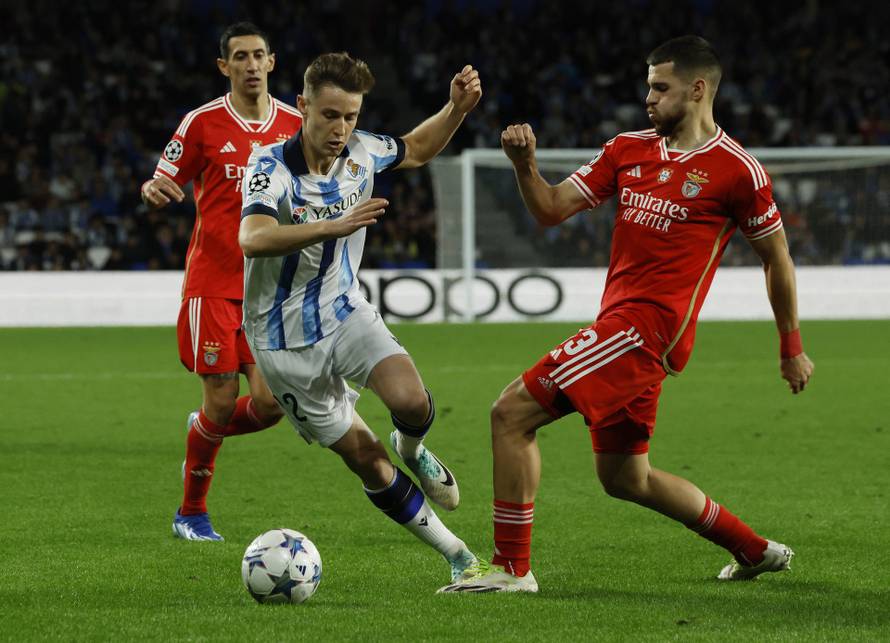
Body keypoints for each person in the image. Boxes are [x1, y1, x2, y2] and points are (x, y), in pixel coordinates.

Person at [440, 35, 814, 593]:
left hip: (644, 331)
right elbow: (549, 209)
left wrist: (791, 346)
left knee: (510, 414)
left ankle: (511, 569)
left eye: (660, 88)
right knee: (624, 477)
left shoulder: (738, 171)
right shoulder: (626, 149)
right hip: (624, 327)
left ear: (697, 89)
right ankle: (755, 550)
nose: (649, 98)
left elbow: (776, 258)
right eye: (647, 87)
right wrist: (525, 167)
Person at [238, 52, 483, 584]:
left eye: (350, 116)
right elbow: (252, 238)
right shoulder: (268, 168)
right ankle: (459, 556)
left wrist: (455, 110)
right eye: (329, 115)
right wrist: (332, 226)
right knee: (368, 462)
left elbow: (415, 148)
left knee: (411, 401)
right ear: (302, 106)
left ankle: (412, 447)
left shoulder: (363, 151)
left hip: (345, 310)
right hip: (284, 345)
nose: (340, 128)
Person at [141, 23, 302, 541]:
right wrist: (155, 187)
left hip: (269, 288)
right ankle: (191, 512)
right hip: (212, 283)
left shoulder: (298, 125)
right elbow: (165, 176)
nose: (251, 65)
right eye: (241, 57)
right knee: (219, 395)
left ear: (272, 62)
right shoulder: (203, 122)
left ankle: (202, 431)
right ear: (224, 66)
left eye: (259, 55)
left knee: (271, 405)